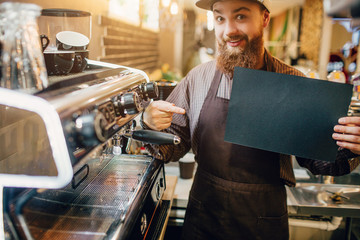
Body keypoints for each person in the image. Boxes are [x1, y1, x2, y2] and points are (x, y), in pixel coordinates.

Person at [141, 0, 360, 239]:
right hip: (203, 216)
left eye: (241, 16)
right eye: (220, 18)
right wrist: (150, 124)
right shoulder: (197, 79)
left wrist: (350, 145)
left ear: (264, 19)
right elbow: (171, 147)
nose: (229, 30)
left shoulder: (291, 82)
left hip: (263, 221)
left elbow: (319, 161)